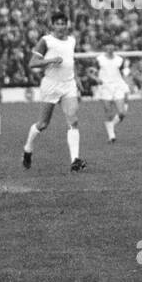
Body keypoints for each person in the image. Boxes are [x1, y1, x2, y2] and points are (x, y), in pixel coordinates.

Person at [22, 11, 87, 172]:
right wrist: (51, 60)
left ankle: (75, 160)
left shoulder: (72, 40)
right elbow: (32, 63)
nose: (60, 26)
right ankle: (28, 148)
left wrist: (77, 78)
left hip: (68, 84)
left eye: (63, 23)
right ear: (52, 25)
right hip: (51, 85)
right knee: (43, 124)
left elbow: (72, 60)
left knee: (73, 120)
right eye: (57, 23)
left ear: (67, 25)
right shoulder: (46, 41)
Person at [91, 42, 130, 143]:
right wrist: (96, 79)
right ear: (104, 47)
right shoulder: (99, 59)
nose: (110, 48)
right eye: (107, 45)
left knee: (122, 112)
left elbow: (124, 73)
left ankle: (111, 125)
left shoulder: (120, 60)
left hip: (117, 86)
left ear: (114, 47)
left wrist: (126, 84)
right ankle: (111, 136)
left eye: (111, 45)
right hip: (105, 87)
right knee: (108, 113)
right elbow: (91, 72)